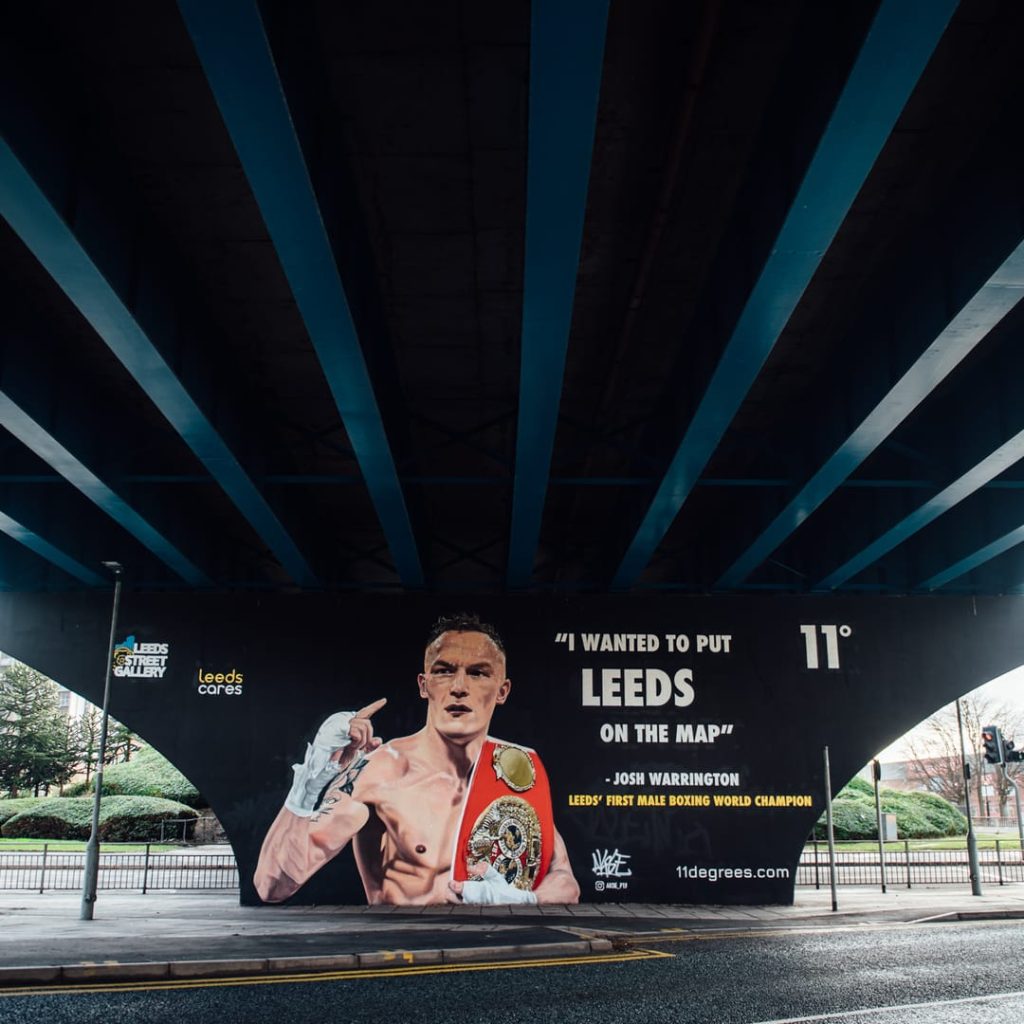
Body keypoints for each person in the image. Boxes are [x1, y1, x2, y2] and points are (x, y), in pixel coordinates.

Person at [254, 614, 580, 906]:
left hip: (486, 951)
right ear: (424, 685)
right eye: (444, 671)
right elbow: (273, 885)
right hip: (405, 957)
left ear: (502, 690)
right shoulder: (381, 771)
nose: (459, 687)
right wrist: (309, 783)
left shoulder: (516, 769)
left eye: (478, 673)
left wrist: (522, 898)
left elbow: (564, 882)